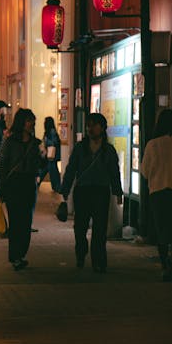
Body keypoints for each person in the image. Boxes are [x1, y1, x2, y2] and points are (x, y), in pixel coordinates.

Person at [60, 112, 123, 273]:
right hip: (83, 191)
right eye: (88, 125)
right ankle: (81, 253)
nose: (90, 128)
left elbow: (114, 172)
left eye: (94, 125)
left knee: (100, 229)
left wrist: (118, 192)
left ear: (102, 128)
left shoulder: (108, 150)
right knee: (80, 227)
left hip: (101, 192)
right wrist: (65, 190)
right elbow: (71, 169)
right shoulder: (80, 148)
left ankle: (99, 261)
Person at [0, 108, 45, 271]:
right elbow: (0, 165)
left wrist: (41, 161)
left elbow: (39, 165)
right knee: (16, 221)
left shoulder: (35, 143)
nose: (33, 124)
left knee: (26, 221)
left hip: (29, 184)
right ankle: (15, 256)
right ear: (22, 122)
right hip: (14, 185)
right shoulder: (10, 142)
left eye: (33, 121)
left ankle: (21, 253)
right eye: (30, 120)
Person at [140, 109, 172, 282]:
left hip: (158, 192)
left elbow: (144, 171)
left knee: (161, 228)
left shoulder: (153, 144)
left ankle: (165, 264)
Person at [38, 116, 61, 192]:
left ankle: (56, 186)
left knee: (49, 170)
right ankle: (56, 186)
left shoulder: (51, 131)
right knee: (49, 169)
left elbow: (53, 143)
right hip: (50, 155)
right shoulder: (50, 132)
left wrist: (46, 143)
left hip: (51, 155)